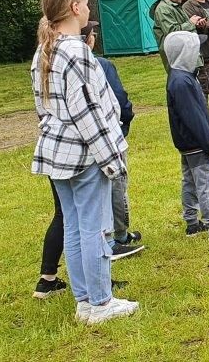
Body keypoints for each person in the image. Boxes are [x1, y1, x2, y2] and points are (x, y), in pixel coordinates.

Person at [30, 0, 138, 324]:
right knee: (95, 228)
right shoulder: (75, 52)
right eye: (86, 3)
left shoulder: (45, 50)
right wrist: (112, 159)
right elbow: (89, 113)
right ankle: (101, 302)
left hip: (59, 154)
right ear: (75, 9)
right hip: (84, 155)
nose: (89, 8)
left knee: (76, 227)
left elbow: (43, 110)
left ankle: (86, 301)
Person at [164, 30, 209, 239]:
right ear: (185, 53)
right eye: (195, 49)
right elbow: (194, 117)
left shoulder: (181, 76)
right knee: (205, 182)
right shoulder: (182, 82)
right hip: (196, 143)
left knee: (190, 181)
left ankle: (192, 222)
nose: (199, 54)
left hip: (186, 143)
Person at [82, 21, 144, 258]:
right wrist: (125, 121)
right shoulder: (101, 65)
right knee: (117, 185)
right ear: (89, 39)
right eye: (93, 33)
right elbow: (119, 99)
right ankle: (118, 236)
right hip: (107, 136)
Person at [151, 0, 204, 71]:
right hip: (178, 58)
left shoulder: (175, 6)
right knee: (183, 83)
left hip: (185, 54)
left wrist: (195, 24)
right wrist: (191, 23)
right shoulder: (163, 9)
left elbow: (182, 26)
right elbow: (172, 32)